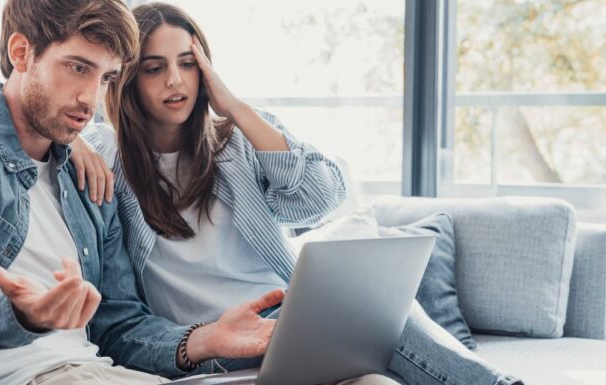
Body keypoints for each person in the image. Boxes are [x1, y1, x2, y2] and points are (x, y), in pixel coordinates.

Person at [71, 2, 524, 385]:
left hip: (293, 326)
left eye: (188, 64)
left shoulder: (237, 139)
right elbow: (45, 120)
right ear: (127, 78)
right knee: (371, 314)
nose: (176, 80)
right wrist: (74, 142)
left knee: (377, 371)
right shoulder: (106, 158)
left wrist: (237, 109)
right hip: (219, 343)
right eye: (155, 68)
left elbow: (320, 199)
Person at [0, 1, 288, 385]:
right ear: (21, 52)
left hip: (100, 373)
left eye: (106, 77)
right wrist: (21, 312)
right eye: (78, 68)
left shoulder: (88, 181)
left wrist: (208, 339)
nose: (91, 100)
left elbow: (119, 326)